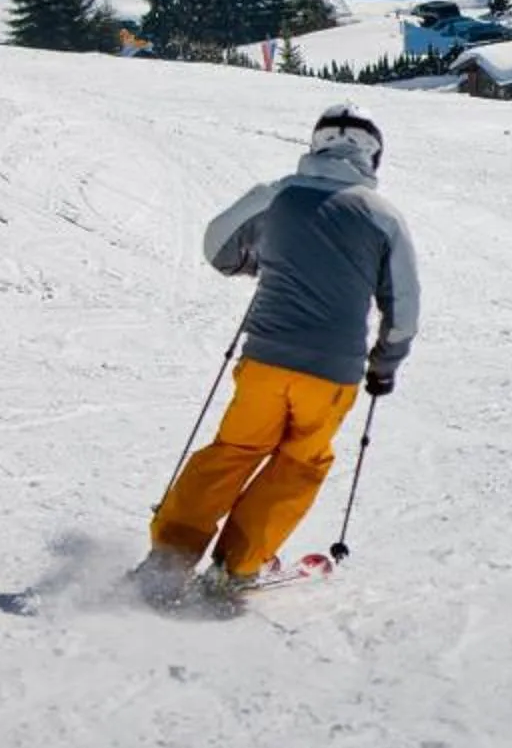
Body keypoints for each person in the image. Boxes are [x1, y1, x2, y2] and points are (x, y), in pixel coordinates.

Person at [134, 104, 421, 606]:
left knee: (233, 450)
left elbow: (216, 245)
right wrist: (385, 364)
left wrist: (263, 262)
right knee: (299, 464)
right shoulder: (384, 216)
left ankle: (170, 557)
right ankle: (236, 566)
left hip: (264, 360)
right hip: (332, 374)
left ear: (316, 144)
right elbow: (404, 304)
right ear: (374, 156)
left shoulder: (279, 194)